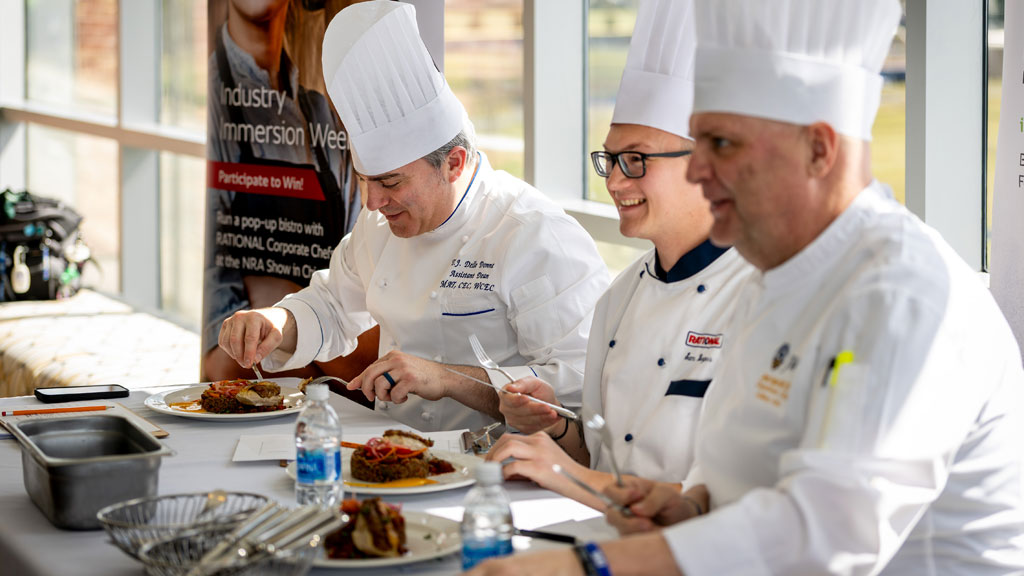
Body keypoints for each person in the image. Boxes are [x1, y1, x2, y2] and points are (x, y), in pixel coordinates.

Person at [467, 0, 1024, 574]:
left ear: (819, 149)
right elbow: (742, 474)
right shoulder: (776, 276)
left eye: (723, 144)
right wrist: (689, 506)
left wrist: (587, 566)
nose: (699, 171)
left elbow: (827, 535)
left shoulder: (903, 296)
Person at [218, 0, 610, 432]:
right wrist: (278, 322)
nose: (372, 203)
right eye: (365, 181)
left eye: (390, 182)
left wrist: (448, 379)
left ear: (454, 163)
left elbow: (578, 385)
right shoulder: (380, 224)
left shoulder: (535, 235)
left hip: (499, 460)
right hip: (394, 449)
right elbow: (332, 305)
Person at [484, 0, 754, 510]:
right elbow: (600, 454)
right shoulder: (620, 296)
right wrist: (556, 427)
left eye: (635, 160)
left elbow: (736, 502)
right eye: (610, 159)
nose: (612, 181)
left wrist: (565, 472)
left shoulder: (758, 298)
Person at [203, 0, 364, 382]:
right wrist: (307, 323)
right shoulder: (214, 101)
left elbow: (362, 359)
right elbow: (225, 362)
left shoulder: (321, 112)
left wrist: (281, 299)